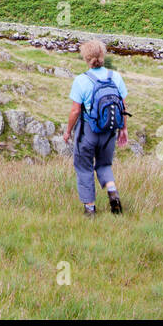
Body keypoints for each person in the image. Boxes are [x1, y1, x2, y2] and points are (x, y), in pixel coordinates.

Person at [62, 39, 128, 216]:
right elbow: (123, 106)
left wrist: (68, 131)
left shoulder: (81, 80)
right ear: (102, 55)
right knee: (104, 165)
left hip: (87, 131)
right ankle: (112, 191)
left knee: (84, 167)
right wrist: (123, 129)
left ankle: (90, 209)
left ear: (86, 58)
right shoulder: (115, 77)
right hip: (109, 132)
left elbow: (75, 110)